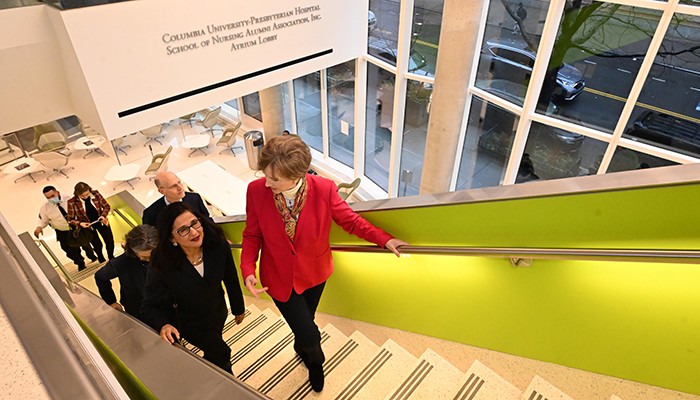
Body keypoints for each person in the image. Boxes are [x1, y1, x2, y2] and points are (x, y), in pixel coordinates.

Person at [241, 135, 408, 392]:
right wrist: (248, 269)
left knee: (307, 319)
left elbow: (351, 221)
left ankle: (301, 346)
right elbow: (252, 234)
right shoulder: (256, 191)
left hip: (315, 273)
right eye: (265, 175)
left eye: (274, 179)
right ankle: (316, 361)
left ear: (296, 175)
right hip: (277, 278)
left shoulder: (324, 188)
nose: (267, 183)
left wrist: (384, 240)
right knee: (309, 332)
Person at [141, 202, 246, 375]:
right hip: (188, 322)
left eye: (195, 223)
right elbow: (149, 305)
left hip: (217, 312)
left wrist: (238, 307)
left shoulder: (218, 245)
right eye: (183, 230)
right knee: (222, 353)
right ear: (171, 238)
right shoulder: (161, 264)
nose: (195, 232)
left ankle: (207, 369)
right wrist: (163, 324)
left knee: (214, 348)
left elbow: (230, 277)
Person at [94, 224, 158, 323]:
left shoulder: (166, 254)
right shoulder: (122, 262)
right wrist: (111, 301)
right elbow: (100, 276)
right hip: (139, 308)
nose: (150, 260)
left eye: (153, 255)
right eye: (144, 258)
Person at [34, 186, 97, 271]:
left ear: (58, 192)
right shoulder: (45, 207)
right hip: (62, 231)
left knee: (85, 243)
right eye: (48, 198)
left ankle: (91, 255)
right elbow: (43, 220)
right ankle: (80, 262)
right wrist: (39, 227)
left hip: (77, 227)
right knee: (69, 250)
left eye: (53, 196)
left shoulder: (70, 198)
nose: (51, 199)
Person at [67, 182, 114, 262]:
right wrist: (80, 223)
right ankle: (100, 256)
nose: (85, 197)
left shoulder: (96, 194)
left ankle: (111, 257)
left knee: (109, 241)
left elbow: (106, 206)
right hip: (88, 227)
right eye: (82, 196)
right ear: (77, 194)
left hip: (101, 222)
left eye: (87, 194)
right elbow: (70, 220)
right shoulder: (72, 202)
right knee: (97, 244)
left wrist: (103, 215)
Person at [142, 171, 210, 226]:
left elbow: (206, 219)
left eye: (179, 182)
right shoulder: (151, 214)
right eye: (173, 186)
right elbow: (152, 238)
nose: (180, 188)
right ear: (162, 191)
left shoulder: (195, 198)